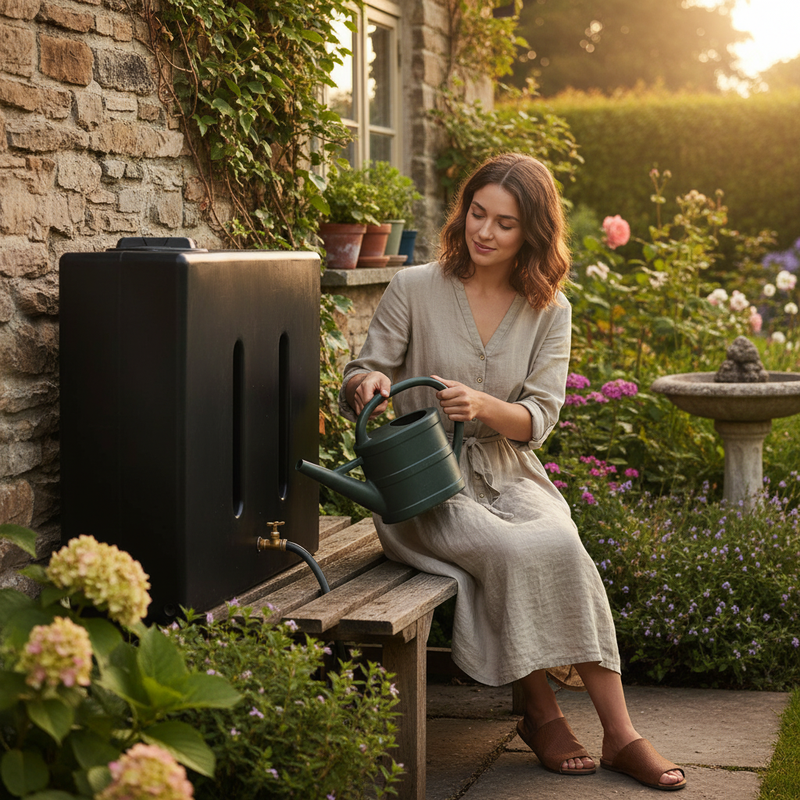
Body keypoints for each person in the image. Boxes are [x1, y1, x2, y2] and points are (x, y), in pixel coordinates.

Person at [338, 153, 686, 791]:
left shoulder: (550, 308)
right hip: (425, 486)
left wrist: (485, 405)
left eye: (505, 222)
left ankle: (620, 733)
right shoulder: (414, 286)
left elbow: (540, 418)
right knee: (509, 548)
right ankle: (543, 711)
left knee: (559, 540)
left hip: (510, 471)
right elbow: (362, 368)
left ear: (532, 232)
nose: (485, 232)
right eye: (477, 213)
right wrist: (369, 383)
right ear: (463, 210)